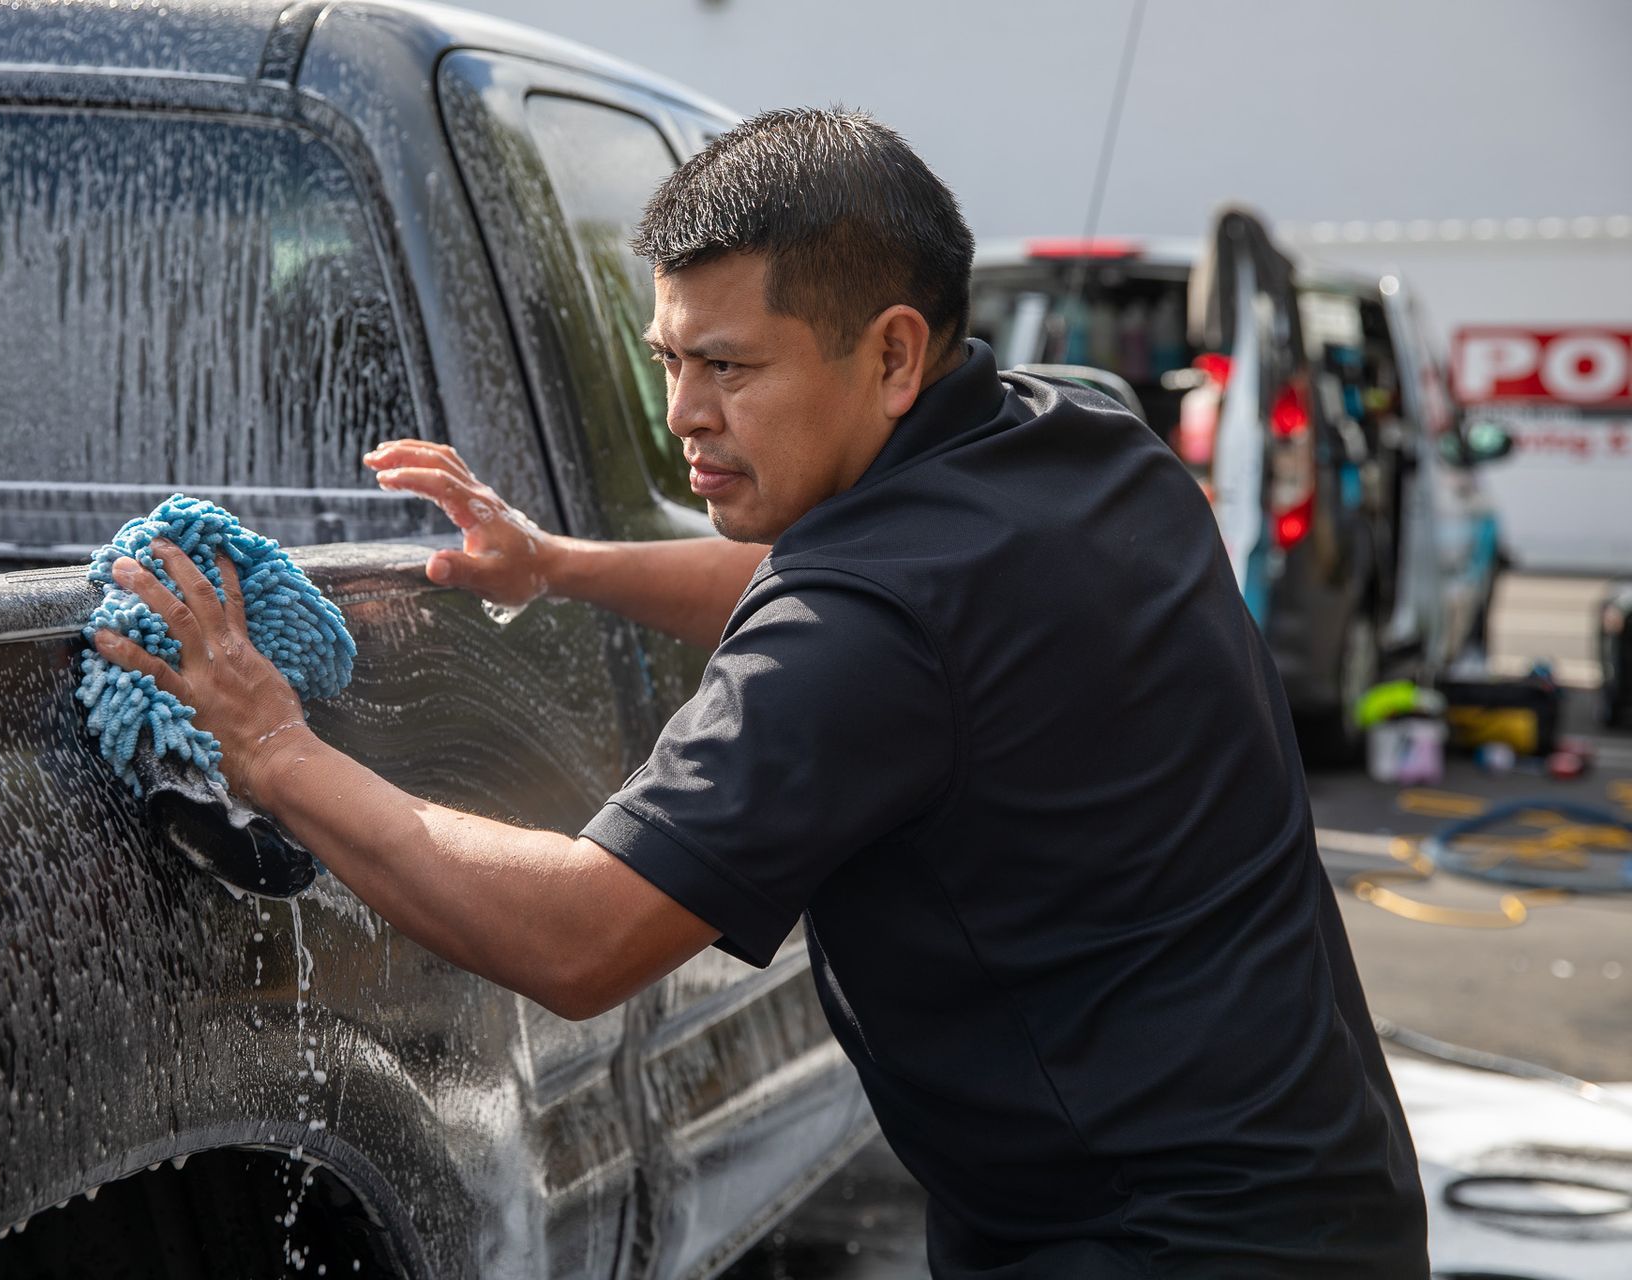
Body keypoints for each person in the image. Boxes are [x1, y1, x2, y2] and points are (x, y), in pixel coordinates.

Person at [93, 108, 1428, 1277]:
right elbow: (839, 599)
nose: (683, 413)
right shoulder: (1085, 450)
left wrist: (272, 749)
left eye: (729, 366)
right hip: (1323, 1196)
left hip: (1147, 1247)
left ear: (893, 355)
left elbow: (581, 938)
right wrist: (559, 567)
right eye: (668, 358)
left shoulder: (875, 619)